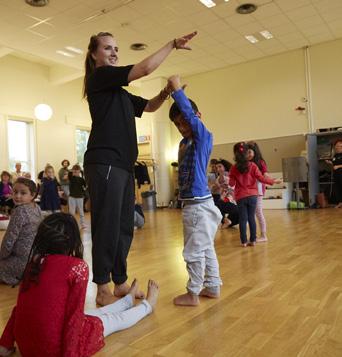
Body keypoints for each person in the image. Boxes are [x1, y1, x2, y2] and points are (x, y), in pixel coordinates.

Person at [82, 30, 197, 306]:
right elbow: (144, 68)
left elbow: (150, 107)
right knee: (106, 225)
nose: (114, 52)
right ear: (94, 54)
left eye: (116, 48)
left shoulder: (118, 93)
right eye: (108, 48)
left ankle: (120, 281)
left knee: (124, 225)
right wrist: (171, 43)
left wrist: (166, 92)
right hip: (104, 162)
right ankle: (102, 287)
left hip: (123, 165)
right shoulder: (99, 78)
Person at [0, 213, 159, 357]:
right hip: (55, 349)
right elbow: (73, 317)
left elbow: (18, 310)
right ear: (72, 240)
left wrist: (5, 343)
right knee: (113, 320)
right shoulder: (76, 267)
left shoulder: (33, 264)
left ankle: (127, 301)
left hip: (28, 348)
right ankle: (147, 306)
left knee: (93, 314)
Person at [168, 75, 222, 307]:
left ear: (196, 117)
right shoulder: (184, 143)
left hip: (198, 207)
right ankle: (212, 286)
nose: (182, 128)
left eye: (185, 122)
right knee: (206, 247)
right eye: (178, 124)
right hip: (197, 204)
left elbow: (190, 116)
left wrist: (178, 92)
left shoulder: (203, 136)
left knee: (192, 251)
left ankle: (193, 293)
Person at [229, 142, 281, 247]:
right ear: (246, 153)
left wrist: (229, 181)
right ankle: (253, 240)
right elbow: (261, 178)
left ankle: (243, 241)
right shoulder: (252, 165)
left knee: (243, 219)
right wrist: (273, 181)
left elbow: (232, 184)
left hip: (241, 196)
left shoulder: (233, 168)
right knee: (251, 218)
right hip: (253, 195)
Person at [0, 178, 42, 286]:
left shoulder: (19, 211)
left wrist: (2, 255)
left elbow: (9, 240)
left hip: (23, 261)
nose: (17, 196)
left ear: (32, 195)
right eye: (15, 192)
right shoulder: (36, 207)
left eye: (23, 193)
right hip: (35, 260)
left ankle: (18, 278)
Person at [247, 141, 269, 242]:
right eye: (246, 153)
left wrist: (268, 178)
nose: (248, 155)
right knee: (251, 213)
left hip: (258, 191)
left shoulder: (260, 162)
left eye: (250, 152)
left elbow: (266, 174)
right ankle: (254, 234)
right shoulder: (246, 163)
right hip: (249, 191)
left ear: (255, 151)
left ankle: (264, 235)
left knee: (258, 212)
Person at [215, 159, 239, 229]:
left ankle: (226, 220)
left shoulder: (224, 175)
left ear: (224, 167)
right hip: (237, 208)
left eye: (220, 167)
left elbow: (225, 187)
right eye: (216, 168)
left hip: (232, 202)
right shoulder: (229, 175)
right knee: (224, 221)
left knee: (215, 206)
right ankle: (227, 221)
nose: (218, 169)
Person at [68, 164, 87, 228]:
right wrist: (73, 171)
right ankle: (71, 224)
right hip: (72, 197)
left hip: (80, 197)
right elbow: (69, 174)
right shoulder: (71, 178)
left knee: (81, 211)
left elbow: (85, 186)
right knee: (72, 212)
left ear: (79, 171)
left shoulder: (81, 179)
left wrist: (81, 171)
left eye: (77, 171)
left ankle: (83, 224)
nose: (76, 173)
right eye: (74, 171)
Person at [326, 139, 342, 208]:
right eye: (336, 146)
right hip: (336, 175)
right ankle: (340, 202)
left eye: (339, 146)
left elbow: (337, 165)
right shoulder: (335, 155)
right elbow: (334, 164)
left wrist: (338, 166)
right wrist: (330, 163)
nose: (337, 147)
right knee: (338, 189)